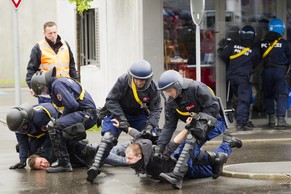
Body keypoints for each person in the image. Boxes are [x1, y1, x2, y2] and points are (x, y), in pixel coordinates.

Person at [86, 59, 162, 183]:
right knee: (108, 138)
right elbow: (111, 100)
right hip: (118, 114)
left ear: (148, 79)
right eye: (136, 79)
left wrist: (150, 126)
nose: (139, 82)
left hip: (138, 116)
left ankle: (147, 168)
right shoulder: (122, 81)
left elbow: (156, 109)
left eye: (142, 80)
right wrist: (122, 120)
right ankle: (95, 166)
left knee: (146, 140)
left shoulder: (153, 89)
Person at [153, 69, 230, 189]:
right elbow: (169, 126)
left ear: (177, 86)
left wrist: (200, 122)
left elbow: (213, 108)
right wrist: (159, 148)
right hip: (195, 127)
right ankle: (217, 159)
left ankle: (177, 177)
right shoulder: (171, 103)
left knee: (190, 142)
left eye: (170, 91)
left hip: (215, 122)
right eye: (166, 92)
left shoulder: (197, 88)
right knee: (181, 151)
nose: (168, 94)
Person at [117, 118, 242, 189]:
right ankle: (227, 143)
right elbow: (137, 134)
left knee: (213, 167)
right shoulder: (140, 146)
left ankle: (227, 143)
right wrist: (123, 127)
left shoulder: (155, 158)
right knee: (200, 155)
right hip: (179, 161)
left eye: (129, 158)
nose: (127, 161)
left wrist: (187, 128)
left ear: (139, 156)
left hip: (189, 170)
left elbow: (173, 144)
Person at [30, 66, 97, 173]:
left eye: (42, 90)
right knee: (59, 131)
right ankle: (88, 151)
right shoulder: (57, 84)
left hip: (86, 114)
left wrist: (61, 119)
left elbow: (71, 105)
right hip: (86, 113)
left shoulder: (58, 85)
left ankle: (64, 163)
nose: (44, 92)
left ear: (43, 84)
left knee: (54, 127)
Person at [217, 25, 260, 131]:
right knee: (243, 100)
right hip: (243, 78)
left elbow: (222, 55)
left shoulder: (233, 44)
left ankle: (240, 119)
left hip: (232, 77)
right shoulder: (254, 49)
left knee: (235, 99)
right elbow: (256, 63)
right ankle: (241, 122)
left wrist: (231, 63)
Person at [26, 21, 79, 103]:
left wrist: (76, 82)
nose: (53, 35)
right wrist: (31, 86)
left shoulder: (65, 45)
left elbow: (71, 65)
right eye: (50, 33)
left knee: (67, 113)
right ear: (44, 33)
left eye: (55, 32)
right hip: (47, 90)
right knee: (48, 113)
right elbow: (31, 69)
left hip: (65, 87)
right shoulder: (38, 47)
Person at [6, 102, 59, 169]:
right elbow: (22, 143)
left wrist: (45, 155)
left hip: (54, 131)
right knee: (25, 150)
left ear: (26, 120)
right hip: (40, 134)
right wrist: (22, 161)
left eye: (23, 127)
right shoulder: (18, 126)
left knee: (49, 152)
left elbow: (51, 137)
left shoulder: (39, 117)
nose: (22, 130)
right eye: (20, 129)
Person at [260, 18, 291, 128]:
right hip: (280, 71)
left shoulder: (262, 43)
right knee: (282, 95)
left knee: (268, 95)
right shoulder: (284, 43)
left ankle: (271, 120)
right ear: (282, 29)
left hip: (267, 72)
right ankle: (281, 120)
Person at [27, 141, 130, 170]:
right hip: (91, 155)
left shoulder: (53, 152)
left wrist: (84, 148)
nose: (43, 165)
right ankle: (130, 143)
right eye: (40, 167)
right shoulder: (54, 165)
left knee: (125, 162)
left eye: (41, 162)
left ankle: (140, 156)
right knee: (116, 150)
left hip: (93, 153)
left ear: (40, 156)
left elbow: (68, 142)